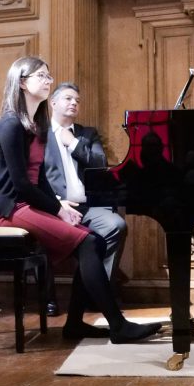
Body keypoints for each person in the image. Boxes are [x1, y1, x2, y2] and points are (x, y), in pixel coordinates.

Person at [0, 56, 162, 343]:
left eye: (48, 75)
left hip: (28, 204)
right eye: (41, 76)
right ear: (21, 82)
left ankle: (75, 324)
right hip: (9, 207)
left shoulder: (36, 125)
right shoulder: (10, 124)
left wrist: (59, 208)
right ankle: (117, 325)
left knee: (96, 240)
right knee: (90, 241)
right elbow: (19, 185)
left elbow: (40, 178)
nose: (48, 80)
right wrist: (57, 208)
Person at [44, 82, 126, 281]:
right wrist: (56, 203)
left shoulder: (87, 134)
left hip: (88, 207)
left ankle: (98, 290)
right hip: (56, 208)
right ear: (53, 103)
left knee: (116, 225)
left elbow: (100, 163)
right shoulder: (40, 135)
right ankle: (56, 295)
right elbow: (34, 174)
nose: (74, 103)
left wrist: (72, 143)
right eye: (68, 98)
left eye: (77, 101)